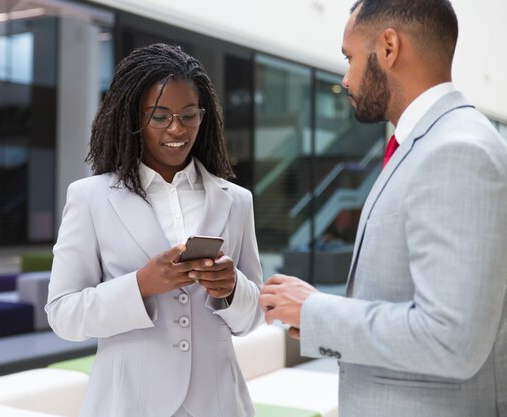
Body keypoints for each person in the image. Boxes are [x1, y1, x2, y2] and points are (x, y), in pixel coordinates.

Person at [259, 1, 507, 416]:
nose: (346, 76)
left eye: (350, 57)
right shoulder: (427, 145)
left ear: (389, 47)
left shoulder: (457, 150)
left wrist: (318, 311)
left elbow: (451, 340)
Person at [45, 43, 263, 417]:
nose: (176, 129)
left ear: (203, 116)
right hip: (128, 403)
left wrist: (233, 289)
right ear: (133, 117)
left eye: (188, 115)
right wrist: (141, 285)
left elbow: (253, 316)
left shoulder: (236, 200)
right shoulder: (91, 198)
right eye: (159, 117)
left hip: (218, 404)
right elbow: (63, 313)